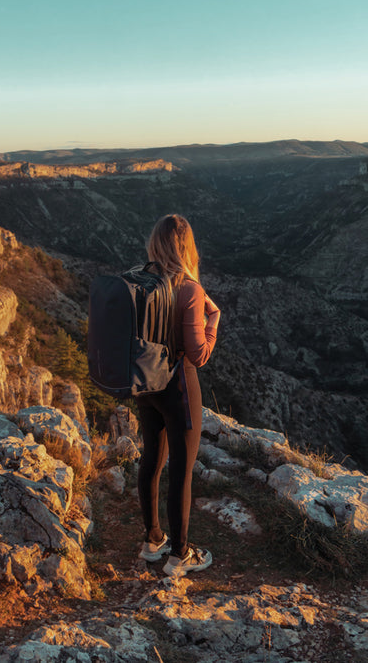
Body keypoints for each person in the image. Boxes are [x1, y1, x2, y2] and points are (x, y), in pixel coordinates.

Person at [137, 213, 221, 577]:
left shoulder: (141, 280)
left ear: (155, 243)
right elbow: (199, 354)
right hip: (179, 386)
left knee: (151, 461)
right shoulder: (189, 289)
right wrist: (213, 320)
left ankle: (152, 540)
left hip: (146, 383)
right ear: (187, 248)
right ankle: (179, 556)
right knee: (182, 473)